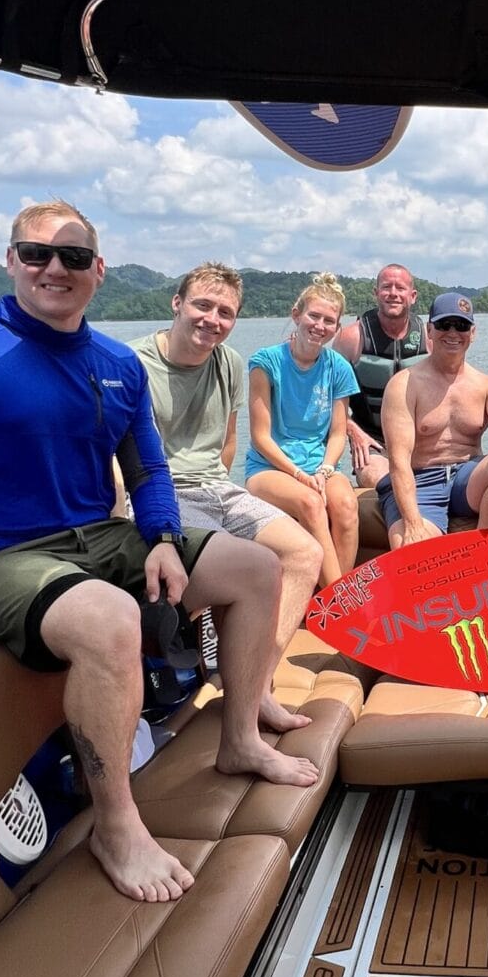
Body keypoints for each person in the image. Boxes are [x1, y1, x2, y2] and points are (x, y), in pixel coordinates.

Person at [0, 201, 319, 905]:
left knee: (256, 566)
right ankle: (116, 824)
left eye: (71, 257)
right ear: (10, 260)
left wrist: (163, 540)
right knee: (108, 618)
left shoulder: (116, 363)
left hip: (98, 534)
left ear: (98, 271)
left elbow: (148, 471)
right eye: (36, 254)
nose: (52, 269)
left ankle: (241, 736)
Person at [131, 262, 324, 681]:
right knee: (242, 562)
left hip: (217, 487)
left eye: (225, 313)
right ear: (177, 303)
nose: (212, 320)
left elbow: (228, 440)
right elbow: (114, 452)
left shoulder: (230, 362)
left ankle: (257, 681)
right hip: (163, 492)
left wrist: (219, 486)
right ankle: (228, 671)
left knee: (305, 553)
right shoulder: (134, 363)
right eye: (202, 306)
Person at [377, 292, 488, 547]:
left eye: (461, 325)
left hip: (466, 478)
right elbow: (398, 460)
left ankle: (484, 552)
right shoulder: (404, 384)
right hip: (420, 480)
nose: (453, 333)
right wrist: (413, 524)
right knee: (413, 553)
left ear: (473, 333)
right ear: (429, 330)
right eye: (444, 324)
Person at [245, 273, 361, 587]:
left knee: (346, 505)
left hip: (319, 466)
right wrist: (298, 474)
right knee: (311, 503)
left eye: (329, 321)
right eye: (314, 316)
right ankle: (342, 600)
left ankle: (330, 597)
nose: (319, 326)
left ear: (337, 328)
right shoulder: (265, 362)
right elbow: (260, 437)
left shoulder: (339, 368)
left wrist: (324, 470)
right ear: (296, 315)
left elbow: (337, 433)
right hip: (270, 467)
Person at [332, 262, 429, 489]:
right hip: (372, 440)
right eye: (386, 287)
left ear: (413, 296)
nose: (393, 293)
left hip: (420, 441)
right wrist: (353, 432)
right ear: (376, 293)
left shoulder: (429, 337)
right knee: (382, 481)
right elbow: (326, 398)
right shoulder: (351, 338)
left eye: (400, 288)